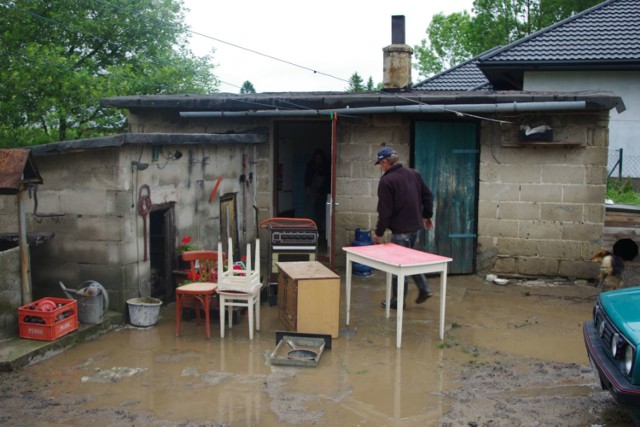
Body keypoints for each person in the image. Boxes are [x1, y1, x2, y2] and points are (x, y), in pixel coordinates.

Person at [372, 146, 434, 309]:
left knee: (398, 267)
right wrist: (427, 215)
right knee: (410, 261)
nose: (380, 167)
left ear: (385, 162)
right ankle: (424, 288)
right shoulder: (413, 173)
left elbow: (385, 212)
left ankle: (397, 302)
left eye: (380, 164)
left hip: (401, 232)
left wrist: (378, 233)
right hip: (416, 228)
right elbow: (428, 195)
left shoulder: (387, 181)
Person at [304, 148, 330, 237]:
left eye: (319, 158)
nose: (317, 160)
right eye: (316, 158)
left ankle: (321, 230)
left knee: (322, 211)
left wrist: (319, 192)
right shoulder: (311, 165)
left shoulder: (326, 165)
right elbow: (308, 177)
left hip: (324, 193)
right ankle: (313, 229)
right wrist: (307, 187)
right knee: (312, 209)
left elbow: (325, 181)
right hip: (313, 191)